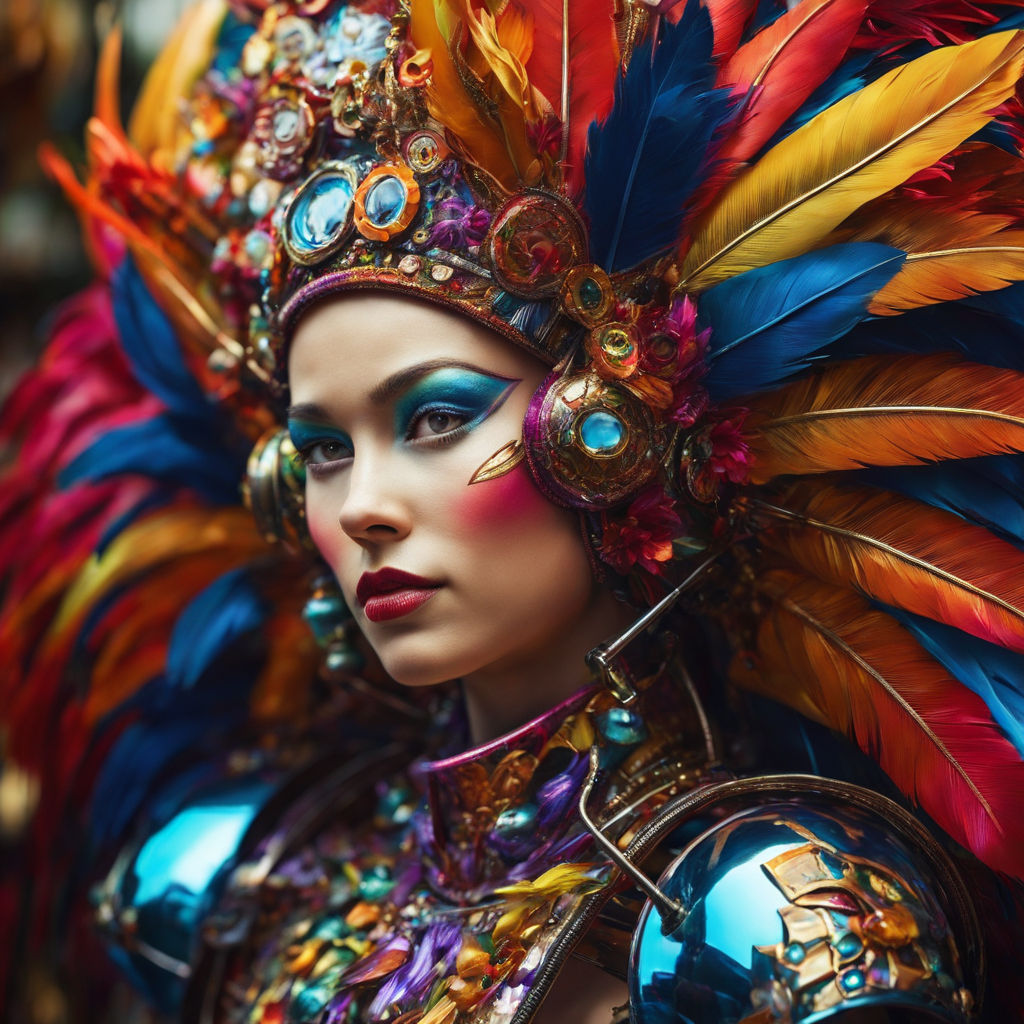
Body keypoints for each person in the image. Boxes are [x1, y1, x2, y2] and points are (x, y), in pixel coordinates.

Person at [4, 0, 1024, 1021]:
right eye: (320, 449)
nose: (362, 506)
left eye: (436, 418)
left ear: (608, 426)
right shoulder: (243, 881)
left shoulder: (761, 925)